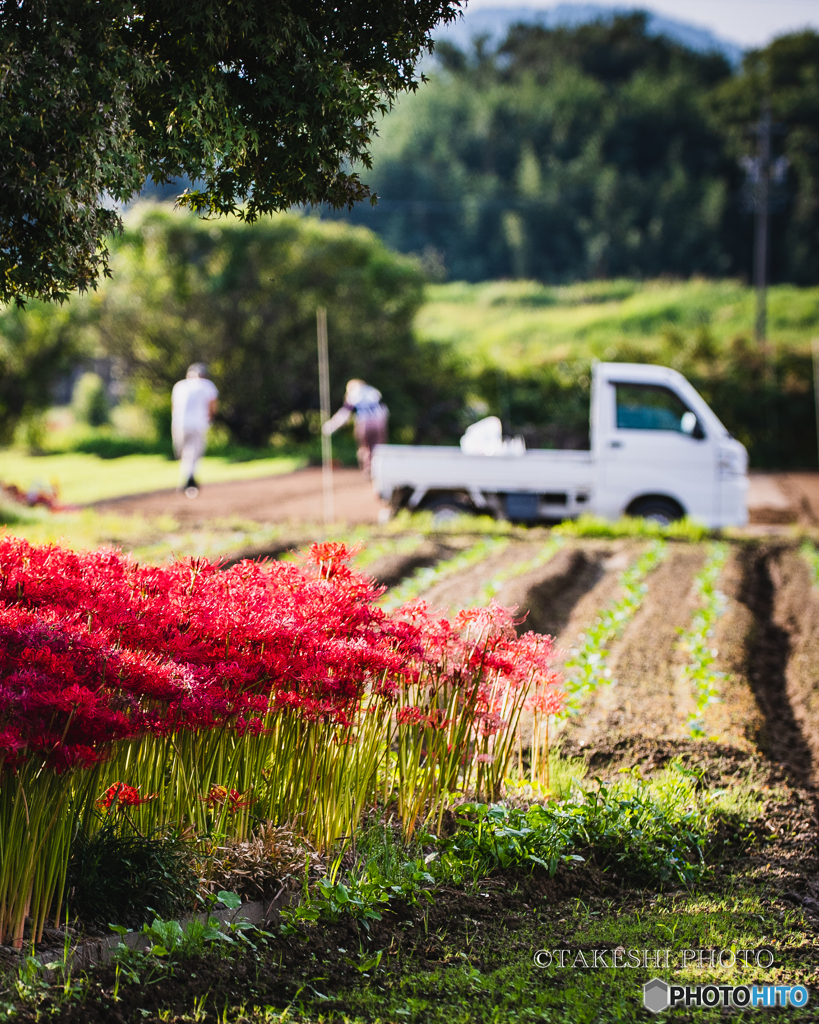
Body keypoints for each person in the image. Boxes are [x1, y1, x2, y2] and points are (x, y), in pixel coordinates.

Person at [322, 379, 388, 476]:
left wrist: (332, 425)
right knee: (378, 448)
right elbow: (384, 410)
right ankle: (380, 470)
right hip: (380, 423)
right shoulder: (373, 391)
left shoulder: (353, 393)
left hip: (364, 423)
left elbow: (345, 414)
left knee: (365, 449)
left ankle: (369, 471)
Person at [171, 363, 218, 496]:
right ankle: (189, 480)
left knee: (184, 453)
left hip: (179, 424)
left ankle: (186, 480)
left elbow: (174, 407)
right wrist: (210, 419)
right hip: (197, 424)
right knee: (194, 453)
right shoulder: (207, 385)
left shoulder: (179, 385)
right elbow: (212, 406)